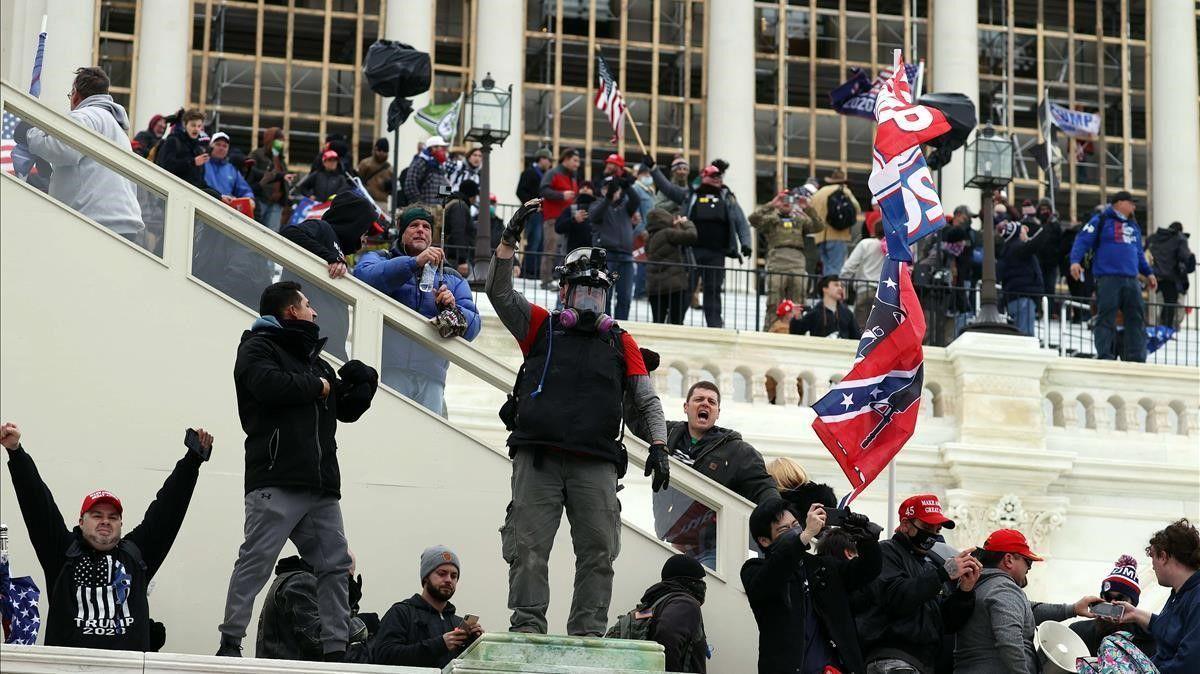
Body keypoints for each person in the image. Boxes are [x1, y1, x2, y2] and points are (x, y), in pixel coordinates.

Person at [487, 203, 670, 636]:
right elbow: (499, 292)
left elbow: (647, 399)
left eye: (598, 293)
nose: (590, 300)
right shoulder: (541, 326)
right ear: (565, 292)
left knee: (599, 553)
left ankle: (587, 633)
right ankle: (527, 628)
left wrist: (660, 446)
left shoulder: (620, 341)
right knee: (528, 548)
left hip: (597, 462)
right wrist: (508, 242)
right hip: (538, 459)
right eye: (583, 291)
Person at [218, 281, 379, 660]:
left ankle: (336, 650)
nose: (315, 311)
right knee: (256, 562)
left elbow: (344, 407)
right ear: (290, 311)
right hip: (276, 478)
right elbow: (267, 385)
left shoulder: (314, 361)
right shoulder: (257, 347)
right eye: (308, 304)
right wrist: (318, 386)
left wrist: (366, 382)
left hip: (320, 485)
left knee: (336, 565)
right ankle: (230, 644)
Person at [1, 422, 212, 650]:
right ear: (81, 522)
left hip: (126, 666)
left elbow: (168, 510)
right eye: (96, 515)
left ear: (121, 524)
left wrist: (192, 461)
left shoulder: (136, 556)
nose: (105, 521)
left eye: (113, 517)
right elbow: (37, 504)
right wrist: (16, 452)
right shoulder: (62, 553)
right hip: (68, 666)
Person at [354, 207, 482, 415]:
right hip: (386, 369)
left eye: (426, 227)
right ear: (401, 231)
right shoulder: (380, 258)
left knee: (427, 434)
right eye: (414, 225)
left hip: (432, 376)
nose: (421, 230)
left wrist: (452, 309)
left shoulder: (451, 277)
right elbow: (364, 278)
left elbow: (474, 327)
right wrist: (414, 263)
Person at [640, 381, 780, 569]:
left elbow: (762, 486)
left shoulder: (736, 450)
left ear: (718, 412)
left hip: (713, 547)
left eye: (711, 402)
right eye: (699, 399)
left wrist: (779, 516)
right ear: (686, 407)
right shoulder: (665, 434)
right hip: (675, 541)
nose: (705, 403)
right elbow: (636, 420)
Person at [743, 499, 883, 674]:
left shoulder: (823, 566)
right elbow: (772, 576)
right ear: (764, 540)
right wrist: (806, 535)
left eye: (796, 525)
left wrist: (866, 540)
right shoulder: (754, 570)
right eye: (784, 529)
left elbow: (868, 570)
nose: (794, 531)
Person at [16, 66, 144, 244]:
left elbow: (62, 149)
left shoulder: (84, 116)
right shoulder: (115, 127)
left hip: (95, 222)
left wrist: (29, 134)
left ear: (75, 94)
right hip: (122, 222)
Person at [856, 494, 981, 674]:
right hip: (892, 659)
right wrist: (943, 574)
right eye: (927, 527)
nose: (933, 535)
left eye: (937, 530)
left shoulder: (927, 565)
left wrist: (965, 591)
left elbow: (945, 623)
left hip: (923, 662)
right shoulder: (886, 552)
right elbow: (896, 598)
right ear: (905, 525)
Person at [953, 528, 1101, 674]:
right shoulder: (1004, 589)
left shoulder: (980, 585)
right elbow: (1009, 641)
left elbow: (1029, 610)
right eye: (1028, 562)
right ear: (1009, 560)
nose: (1029, 568)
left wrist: (1073, 609)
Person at [646, 156, 752, 328]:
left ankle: (715, 327)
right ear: (703, 177)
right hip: (692, 252)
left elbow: (741, 221)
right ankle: (675, 324)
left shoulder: (727, 197)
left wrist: (746, 243)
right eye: (713, 176)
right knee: (686, 289)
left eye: (719, 176)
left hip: (717, 254)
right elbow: (668, 188)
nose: (717, 179)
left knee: (713, 290)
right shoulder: (691, 194)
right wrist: (653, 169)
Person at [280, 189, 379, 361]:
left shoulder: (339, 249)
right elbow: (290, 234)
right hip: (307, 337)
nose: (365, 239)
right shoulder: (323, 228)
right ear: (354, 222)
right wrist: (329, 256)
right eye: (365, 230)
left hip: (328, 342)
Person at [1069, 191, 1157, 362]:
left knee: (1136, 317)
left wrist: (1148, 273)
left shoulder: (1133, 227)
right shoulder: (1101, 220)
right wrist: (1075, 261)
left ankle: (1136, 356)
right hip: (1108, 278)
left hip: (1131, 279)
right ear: (1120, 203)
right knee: (1106, 316)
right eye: (1131, 203)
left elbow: (1139, 253)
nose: (1134, 207)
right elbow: (1082, 240)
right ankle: (1106, 354)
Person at [371, 546, 484, 668]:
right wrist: (440, 644)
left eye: (453, 576)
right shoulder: (401, 613)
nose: (448, 580)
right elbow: (384, 656)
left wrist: (475, 646)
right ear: (426, 577)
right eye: (442, 574)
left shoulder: (457, 623)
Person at [1112, 518, 1200, 673]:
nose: (1152, 566)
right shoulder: (1180, 593)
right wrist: (1135, 614)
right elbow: (1171, 631)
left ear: (1163, 556)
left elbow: (1189, 663)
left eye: (1152, 556)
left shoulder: (1196, 598)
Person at [256, 553, 374, 661]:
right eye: (346, 576)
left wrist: (348, 602)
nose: (346, 583)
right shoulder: (302, 583)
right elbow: (319, 640)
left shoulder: (298, 580)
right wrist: (362, 623)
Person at [613, 554, 709, 674]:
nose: (703, 585)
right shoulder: (686, 603)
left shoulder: (651, 608)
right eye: (701, 580)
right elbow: (667, 634)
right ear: (691, 581)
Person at [751, 189, 825, 330]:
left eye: (790, 199)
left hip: (797, 261)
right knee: (774, 301)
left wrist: (807, 207)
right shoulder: (771, 219)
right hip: (777, 261)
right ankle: (770, 331)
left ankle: (797, 332)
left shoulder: (799, 219)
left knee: (798, 301)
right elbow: (753, 220)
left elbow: (819, 226)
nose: (786, 203)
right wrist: (772, 204)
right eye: (783, 199)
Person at [1069, 555, 1156, 658]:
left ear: (1132, 604)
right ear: (1100, 598)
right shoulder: (1078, 631)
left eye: (1121, 599)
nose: (1113, 603)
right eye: (1108, 597)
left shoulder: (1149, 638)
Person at [591, 154, 641, 320]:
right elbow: (595, 216)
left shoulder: (625, 207)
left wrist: (627, 186)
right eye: (607, 188)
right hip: (607, 256)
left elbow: (636, 200)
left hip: (626, 257)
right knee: (605, 296)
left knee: (625, 297)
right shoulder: (597, 204)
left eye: (614, 189)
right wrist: (608, 198)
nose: (612, 191)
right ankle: (605, 326)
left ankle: (621, 326)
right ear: (602, 190)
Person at [539, 147, 583, 286]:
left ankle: (559, 279)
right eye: (575, 160)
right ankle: (546, 280)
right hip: (553, 218)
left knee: (564, 251)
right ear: (566, 159)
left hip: (567, 220)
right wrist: (561, 195)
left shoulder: (572, 177)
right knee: (551, 249)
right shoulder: (552, 173)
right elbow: (543, 190)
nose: (577, 164)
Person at [645, 210, 698, 325]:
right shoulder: (668, 233)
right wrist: (686, 223)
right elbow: (691, 236)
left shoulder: (649, 238)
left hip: (655, 287)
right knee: (676, 322)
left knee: (657, 322)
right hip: (674, 286)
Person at [996, 220, 1046, 337]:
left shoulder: (1007, 249)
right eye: (1023, 231)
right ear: (1017, 234)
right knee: (1025, 336)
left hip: (1014, 298)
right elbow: (1035, 244)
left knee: (1017, 335)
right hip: (1023, 299)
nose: (1026, 233)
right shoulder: (1018, 248)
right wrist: (1048, 227)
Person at [810, 169, 862, 276]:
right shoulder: (844, 191)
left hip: (819, 236)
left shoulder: (818, 193)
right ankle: (833, 286)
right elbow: (857, 208)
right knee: (836, 269)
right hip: (837, 235)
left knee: (826, 268)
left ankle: (826, 286)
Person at [841, 218, 887, 329]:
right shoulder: (893, 248)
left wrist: (841, 283)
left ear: (875, 230)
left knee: (859, 328)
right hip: (885, 294)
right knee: (879, 330)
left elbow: (849, 266)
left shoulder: (865, 244)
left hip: (865, 290)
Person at [1147, 222, 1194, 329]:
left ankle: (1163, 330)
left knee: (1163, 308)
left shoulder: (1157, 238)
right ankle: (1168, 330)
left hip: (1158, 278)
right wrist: (1191, 257)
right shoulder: (1179, 240)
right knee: (1173, 309)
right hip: (1175, 281)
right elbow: (1187, 262)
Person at [247, 127, 294, 231]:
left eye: (282, 140)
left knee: (272, 233)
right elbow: (250, 173)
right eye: (278, 140)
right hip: (260, 200)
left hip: (277, 204)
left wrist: (286, 194)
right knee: (255, 230)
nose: (281, 143)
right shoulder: (257, 154)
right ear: (270, 139)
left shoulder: (281, 160)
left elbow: (283, 179)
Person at [516, 148, 553, 279]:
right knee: (535, 241)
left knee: (540, 242)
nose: (549, 163)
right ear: (541, 159)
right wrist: (533, 205)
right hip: (534, 213)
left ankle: (535, 271)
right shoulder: (529, 173)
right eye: (548, 160)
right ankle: (528, 271)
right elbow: (520, 191)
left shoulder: (544, 175)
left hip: (542, 213)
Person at [154, 108, 208, 189]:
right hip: (171, 190)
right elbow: (166, 166)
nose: (196, 129)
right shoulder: (173, 141)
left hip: (191, 193)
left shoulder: (198, 150)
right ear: (185, 125)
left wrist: (219, 195)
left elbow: (200, 182)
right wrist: (192, 162)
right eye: (193, 125)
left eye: (199, 126)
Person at [790, 275, 858, 338]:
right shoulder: (814, 312)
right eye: (836, 285)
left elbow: (857, 337)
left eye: (841, 286)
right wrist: (797, 319)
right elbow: (796, 333)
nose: (840, 288)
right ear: (825, 289)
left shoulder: (847, 313)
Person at [203, 132, 255, 205]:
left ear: (228, 149)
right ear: (210, 146)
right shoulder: (201, 163)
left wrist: (250, 199)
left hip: (225, 208)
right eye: (218, 144)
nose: (221, 148)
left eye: (225, 146)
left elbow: (245, 191)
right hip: (203, 203)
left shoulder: (232, 169)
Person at [444, 179, 482, 274]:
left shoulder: (455, 204)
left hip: (452, 256)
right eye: (475, 196)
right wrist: (462, 260)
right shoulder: (460, 207)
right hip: (455, 260)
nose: (475, 199)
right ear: (471, 195)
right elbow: (458, 233)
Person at [1033, 199, 1063, 314]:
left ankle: (1049, 313)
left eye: (1046, 209)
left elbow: (1059, 243)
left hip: (1051, 263)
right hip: (1039, 261)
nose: (1044, 212)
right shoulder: (1038, 224)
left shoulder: (1055, 225)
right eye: (1042, 209)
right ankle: (1039, 311)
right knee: (1039, 288)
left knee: (1050, 288)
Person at [403, 135, 451, 206]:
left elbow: (445, 187)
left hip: (438, 210)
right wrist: (419, 205)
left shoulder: (441, 167)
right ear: (433, 148)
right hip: (423, 210)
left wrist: (443, 205)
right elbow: (410, 185)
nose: (444, 151)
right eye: (442, 148)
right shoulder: (420, 162)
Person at [555, 180, 597, 253]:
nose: (585, 189)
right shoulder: (571, 209)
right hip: (573, 253)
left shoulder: (599, 209)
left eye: (588, 187)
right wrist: (573, 219)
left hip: (594, 253)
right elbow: (558, 228)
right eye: (582, 187)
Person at [356, 138, 394, 211]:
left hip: (382, 202)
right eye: (379, 150)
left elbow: (393, 190)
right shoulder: (365, 164)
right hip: (366, 200)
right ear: (375, 149)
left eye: (384, 151)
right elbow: (358, 181)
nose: (381, 153)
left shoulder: (390, 169)